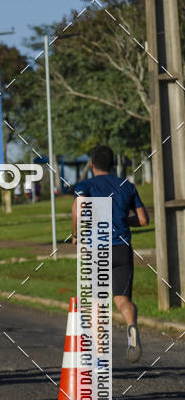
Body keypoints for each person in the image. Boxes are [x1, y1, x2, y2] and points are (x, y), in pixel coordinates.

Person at [72, 144, 149, 362]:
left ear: (92, 164)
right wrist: (122, 220)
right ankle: (131, 326)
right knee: (122, 299)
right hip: (122, 249)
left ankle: (99, 357)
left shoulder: (85, 185)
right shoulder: (127, 186)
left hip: (97, 250)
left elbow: (77, 210)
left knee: (96, 303)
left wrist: (76, 234)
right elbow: (143, 220)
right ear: (113, 164)